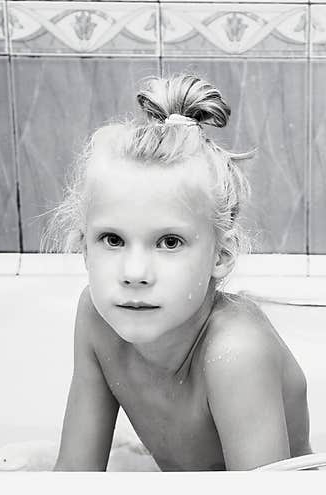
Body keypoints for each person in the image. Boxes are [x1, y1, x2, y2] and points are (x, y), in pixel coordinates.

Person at [46, 73, 311, 471]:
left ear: (220, 255)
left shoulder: (234, 352)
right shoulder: (97, 318)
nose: (134, 273)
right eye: (113, 240)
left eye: (169, 242)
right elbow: (74, 480)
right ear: (83, 245)